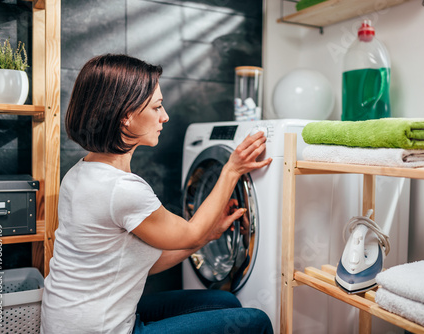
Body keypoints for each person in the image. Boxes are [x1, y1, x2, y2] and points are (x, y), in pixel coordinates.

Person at [40, 54, 274, 334]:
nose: (165, 116)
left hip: (70, 322)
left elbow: (137, 263)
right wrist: (231, 170)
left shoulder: (80, 173)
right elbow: (191, 233)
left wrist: (209, 235)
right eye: (157, 107)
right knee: (257, 321)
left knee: (224, 300)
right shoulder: (122, 189)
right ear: (126, 117)